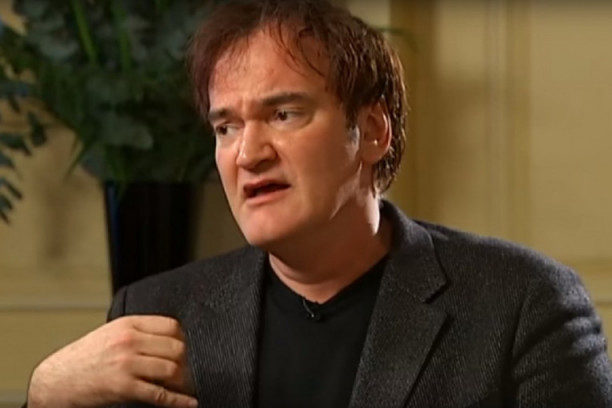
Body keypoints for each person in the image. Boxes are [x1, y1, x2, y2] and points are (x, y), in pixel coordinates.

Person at [24, 0, 612, 407]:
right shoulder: (154, 313)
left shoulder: (523, 304)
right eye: (226, 127)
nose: (248, 153)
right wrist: (46, 396)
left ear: (372, 131)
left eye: (284, 114)